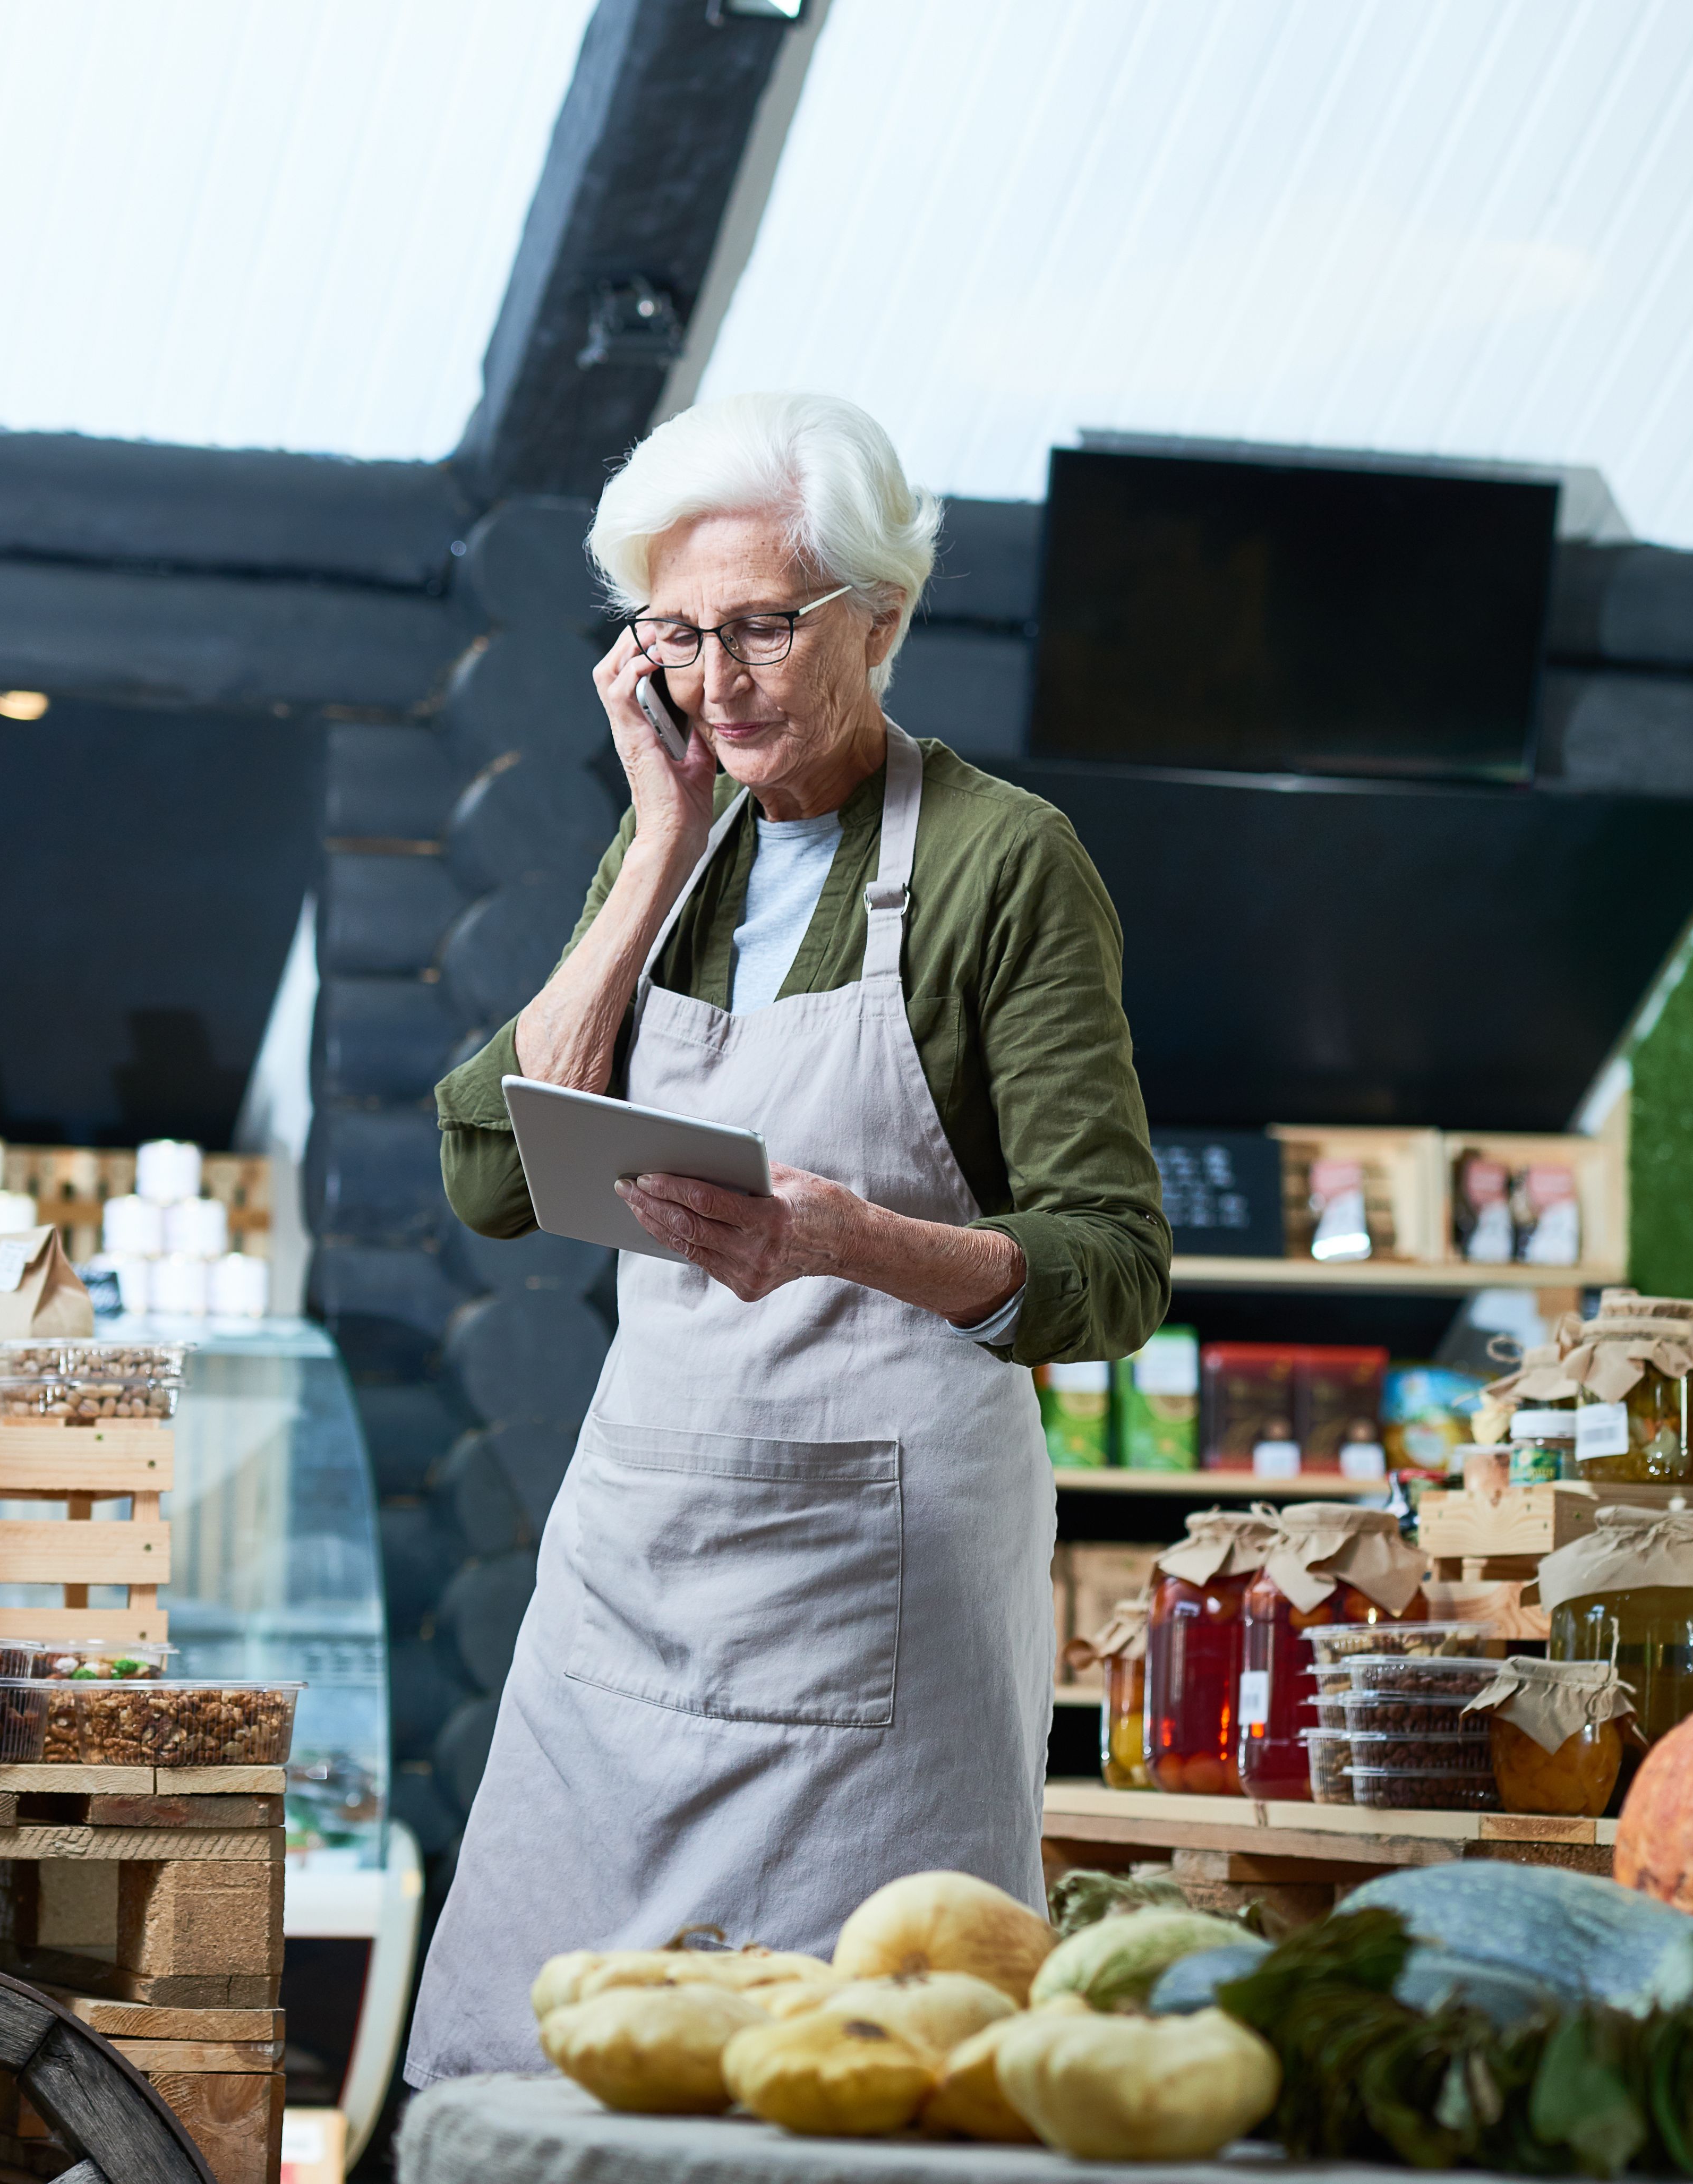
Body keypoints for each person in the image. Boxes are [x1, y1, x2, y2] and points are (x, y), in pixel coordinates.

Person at [403, 393, 1170, 2082]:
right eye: (673, 635)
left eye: (759, 627)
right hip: (640, 1560)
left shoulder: (1002, 863)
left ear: (879, 621)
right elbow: (489, 1166)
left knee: (850, 2079)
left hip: (874, 1585)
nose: (716, 680)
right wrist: (658, 844)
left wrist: (849, 1241)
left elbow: (1112, 1267)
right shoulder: (678, 821)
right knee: (526, 2059)